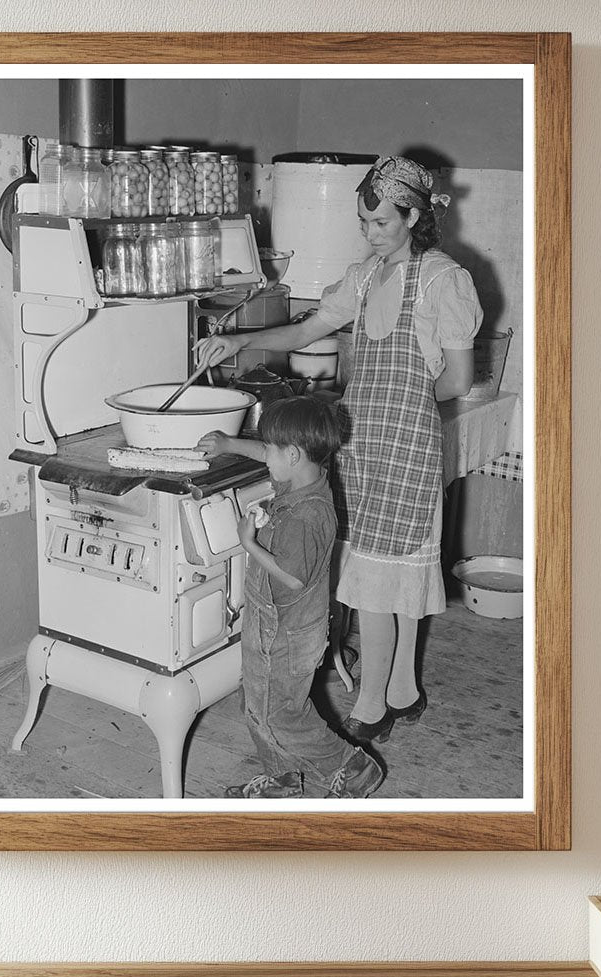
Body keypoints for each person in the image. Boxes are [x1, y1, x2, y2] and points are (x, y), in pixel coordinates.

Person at [197, 155, 482, 746]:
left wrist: (395, 400)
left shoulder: (442, 280)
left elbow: (455, 381)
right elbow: (307, 331)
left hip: (405, 444)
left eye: (380, 222)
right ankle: (403, 691)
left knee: (380, 579)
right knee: (383, 574)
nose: (369, 233)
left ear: (413, 216)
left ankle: (373, 705)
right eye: (363, 221)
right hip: (362, 439)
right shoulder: (367, 275)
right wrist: (235, 343)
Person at [199, 397, 383, 799]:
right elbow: (273, 452)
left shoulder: (307, 515)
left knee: (282, 714)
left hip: (286, 633)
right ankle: (282, 779)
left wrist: (249, 543)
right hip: (274, 624)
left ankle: (352, 767)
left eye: (270, 452)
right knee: (259, 704)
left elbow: (294, 578)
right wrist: (230, 444)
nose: (265, 459)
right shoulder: (304, 478)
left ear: (294, 454)